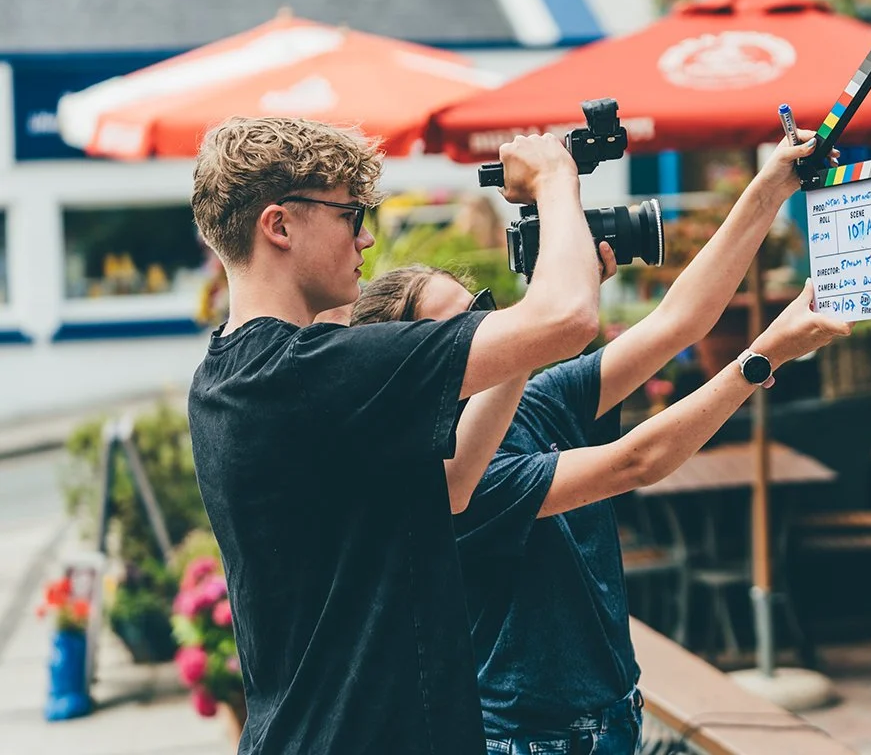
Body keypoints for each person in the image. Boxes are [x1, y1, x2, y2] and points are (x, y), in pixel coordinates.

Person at [351, 130, 852, 755]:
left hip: (610, 714)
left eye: (482, 306)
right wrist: (762, 358)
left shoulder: (532, 401)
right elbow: (637, 462)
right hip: (530, 741)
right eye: (461, 327)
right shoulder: (448, 474)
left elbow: (679, 321)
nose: (486, 326)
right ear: (418, 364)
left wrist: (772, 183)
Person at [186, 116, 604, 755]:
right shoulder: (314, 373)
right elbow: (569, 318)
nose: (367, 239)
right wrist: (553, 176)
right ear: (279, 225)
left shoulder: (225, 378)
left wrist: (522, 338)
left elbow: (453, 483)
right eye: (351, 215)